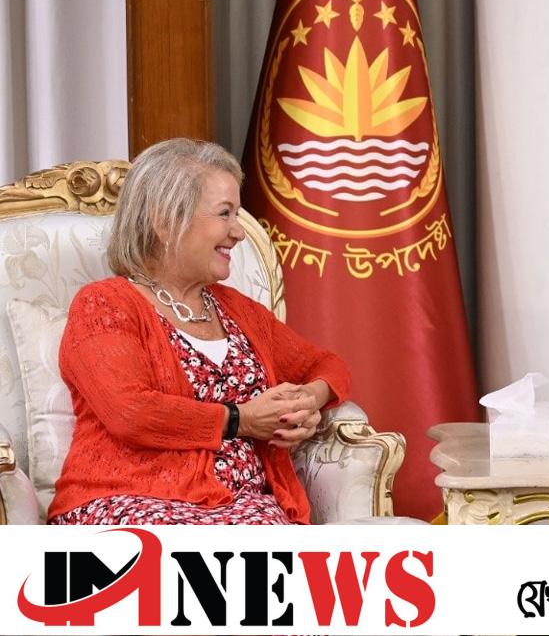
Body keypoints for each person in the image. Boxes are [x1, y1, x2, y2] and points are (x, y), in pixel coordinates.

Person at [47, 138, 350, 525]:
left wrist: (307, 400)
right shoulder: (105, 304)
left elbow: (327, 364)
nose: (239, 232)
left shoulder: (239, 310)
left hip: (245, 507)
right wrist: (240, 420)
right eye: (225, 214)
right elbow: (131, 412)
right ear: (165, 221)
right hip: (129, 499)